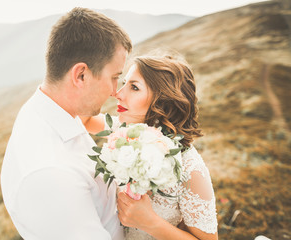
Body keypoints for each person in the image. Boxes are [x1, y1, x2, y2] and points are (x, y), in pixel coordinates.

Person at [0, 8, 132, 239]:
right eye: (114, 77)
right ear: (81, 75)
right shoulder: (50, 174)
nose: (115, 91)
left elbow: (89, 122)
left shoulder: (54, 109)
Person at [82, 55, 218, 240]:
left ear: (162, 101)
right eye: (124, 83)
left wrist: (150, 222)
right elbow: (83, 118)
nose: (118, 94)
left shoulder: (190, 168)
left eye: (134, 87)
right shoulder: (125, 133)